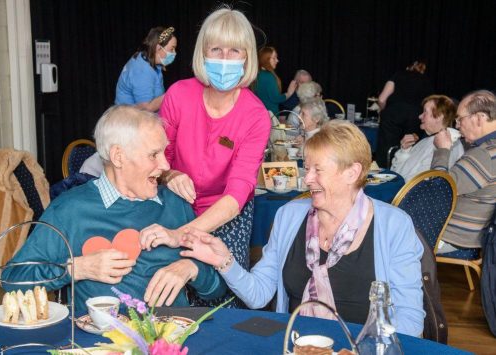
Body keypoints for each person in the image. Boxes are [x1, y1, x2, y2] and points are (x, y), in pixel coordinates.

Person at [179, 120, 425, 337]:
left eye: (318, 170)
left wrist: (362, 346)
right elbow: (259, 296)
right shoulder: (289, 216)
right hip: (298, 344)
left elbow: (411, 320)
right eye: (307, 169)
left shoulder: (394, 225)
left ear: (352, 172)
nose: (307, 179)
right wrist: (224, 261)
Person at [2, 106, 226, 312]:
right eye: (153, 155)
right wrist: (77, 269)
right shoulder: (70, 210)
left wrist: (191, 268)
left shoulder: (175, 204)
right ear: (118, 156)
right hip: (100, 343)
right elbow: (12, 280)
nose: (166, 166)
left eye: (164, 153)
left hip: (172, 341)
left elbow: (216, 290)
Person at [139, 7, 271, 308]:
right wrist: (170, 175)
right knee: (160, 286)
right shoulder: (178, 95)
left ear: (247, 57)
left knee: (221, 295)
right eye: (216, 50)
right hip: (174, 203)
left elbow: (237, 195)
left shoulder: (255, 116)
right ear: (203, 52)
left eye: (234, 51)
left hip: (225, 214)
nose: (224, 60)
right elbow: (157, 157)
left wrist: (180, 235)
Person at [432, 90, 496, 253]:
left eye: (460, 119)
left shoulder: (484, 154)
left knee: (387, 235)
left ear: (479, 118)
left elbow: (438, 190)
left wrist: (442, 150)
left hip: (454, 237)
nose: (457, 125)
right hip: (477, 235)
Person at [391, 95, 464, 181]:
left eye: (425, 112)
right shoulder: (426, 140)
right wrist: (404, 151)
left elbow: (423, 182)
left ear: (439, 116)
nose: (420, 116)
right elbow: (395, 172)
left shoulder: (449, 144)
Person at [375, 60, 433, 167]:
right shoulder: (427, 80)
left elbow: (382, 99)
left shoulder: (399, 74)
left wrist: (382, 111)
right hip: (416, 117)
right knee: (409, 149)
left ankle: (384, 176)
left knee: (386, 150)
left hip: (393, 115)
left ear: (409, 67)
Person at [115, 26, 177, 111]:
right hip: (130, 120)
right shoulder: (142, 70)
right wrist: (172, 93)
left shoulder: (149, 59)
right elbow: (145, 108)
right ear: (158, 48)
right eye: (172, 49)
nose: (174, 53)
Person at [253, 46, 297, 115]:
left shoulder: (258, 75)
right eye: (274, 58)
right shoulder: (268, 76)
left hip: (260, 114)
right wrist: (289, 93)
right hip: (270, 116)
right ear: (266, 59)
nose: (277, 60)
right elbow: (276, 98)